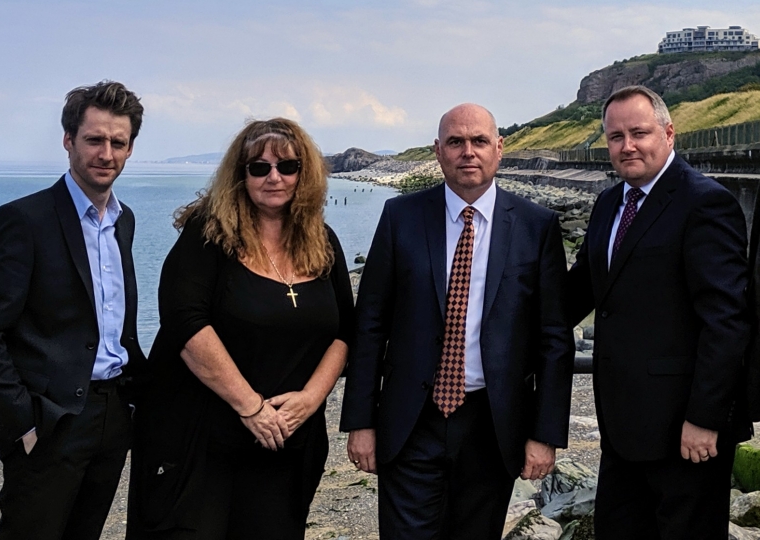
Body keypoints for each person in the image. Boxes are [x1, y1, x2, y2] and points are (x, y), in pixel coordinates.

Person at [340, 103, 574, 539]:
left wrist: (545, 435)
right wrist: (360, 421)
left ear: (499, 149)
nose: (468, 151)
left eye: (479, 141)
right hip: (411, 420)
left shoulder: (536, 226)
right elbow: (370, 323)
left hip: (493, 423)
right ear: (438, 151)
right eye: (456, 142)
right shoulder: (400, 217)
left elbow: (554, 339)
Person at [126, 118, 355, 539]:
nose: (274, 177)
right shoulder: (208, 236)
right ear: (240, 174)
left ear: (305, 175)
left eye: (287, 167)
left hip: (286, 443)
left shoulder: (323, 241)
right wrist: (250, 407)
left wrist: (310, 398)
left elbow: (345, 332)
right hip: (200, 441)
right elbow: (185, 325)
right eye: (259, 167)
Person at [0, 80, 147, 540]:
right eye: (94, 140)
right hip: (49, 423)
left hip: (112, 413)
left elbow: (118, 327)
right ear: (68, 141)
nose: (105, 153)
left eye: (117, 143)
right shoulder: (25, 219)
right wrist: (23, 422)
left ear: (130, 149)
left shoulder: (125, 222)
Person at [566, 85, 751, 539]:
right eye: (615, 137)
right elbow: (577, 292)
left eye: (639, 133)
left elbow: (726, 321)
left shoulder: (705, 202)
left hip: (686, 432)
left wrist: (706, 419)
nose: (627, 146)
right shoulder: (610, 203)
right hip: (623, 425)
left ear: (669, 134)